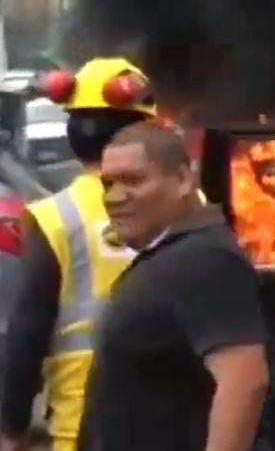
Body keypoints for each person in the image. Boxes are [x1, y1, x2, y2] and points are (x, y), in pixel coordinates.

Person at [0, 58, 158, 451]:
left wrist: (12, 426)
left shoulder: (54, 216)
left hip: (83, 428)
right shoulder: (195, 203)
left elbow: (28, 331)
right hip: (181, 425)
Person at [81, 121, 268, 451]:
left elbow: (244, 381)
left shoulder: (204, 258)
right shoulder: (174, 256)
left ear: (183, 179)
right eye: (108, 184)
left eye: (133, 180)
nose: (114, 197)